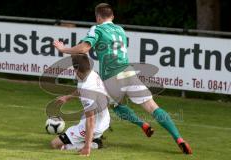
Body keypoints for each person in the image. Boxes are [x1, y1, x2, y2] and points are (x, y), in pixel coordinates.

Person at [53, 3, 192, 154]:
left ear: (97, 17)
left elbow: (84, 48)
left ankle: (135, 126)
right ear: (112, 16)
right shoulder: (120, 30)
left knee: (113, 106)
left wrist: (63, 49)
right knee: (153, 107)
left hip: (112, 77)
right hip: (128, 72)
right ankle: (179, 138)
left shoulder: (97, 28)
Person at [50, 54, 110, 156]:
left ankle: (93, 144)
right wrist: (68, 97)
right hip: (103, 118)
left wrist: (86, 148)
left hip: (96, 124)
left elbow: (90, 121)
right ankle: (93, 138)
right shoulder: (91, 74)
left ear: (76, 69)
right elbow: (80, 89)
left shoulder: (87, 91)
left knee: (54, 144)